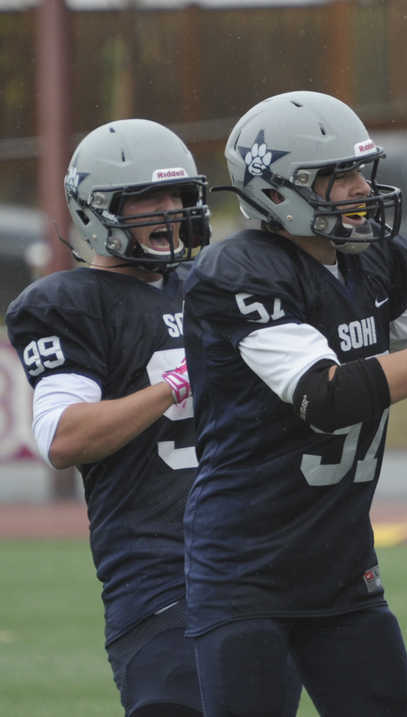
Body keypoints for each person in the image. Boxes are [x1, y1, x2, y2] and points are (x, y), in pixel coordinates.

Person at [180, 90, 407, 717]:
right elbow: (327, 396)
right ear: (275, 191)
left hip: (342, 567)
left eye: (358, 171)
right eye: (335, 176)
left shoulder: (370, 261)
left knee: (384, 701)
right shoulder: (239, 272)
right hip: (247, 572)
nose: (357, 188)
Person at [3, 119, 229, 716]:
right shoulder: (68, 303)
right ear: (98, 208)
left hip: (247, 565)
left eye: (177, 195)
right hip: (158, 574)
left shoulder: (208, 287)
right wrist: (174, 386)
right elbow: (62, 434)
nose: (168, 211)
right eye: (145, 198)